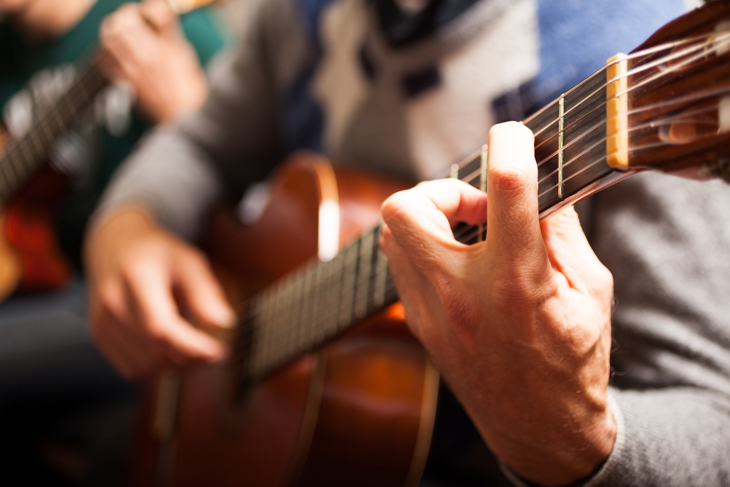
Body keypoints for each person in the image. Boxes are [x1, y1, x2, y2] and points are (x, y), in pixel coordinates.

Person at [84, 0, 730, 484]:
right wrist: (132, 222)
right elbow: (202, 139)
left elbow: (715, 419)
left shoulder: (637, 59)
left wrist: (572, 435)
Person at [0, 0, 227, 484]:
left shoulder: (176, 30)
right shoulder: (7, 48)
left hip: (145, 307)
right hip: (46, 284)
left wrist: (182, 110)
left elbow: (262, 219)